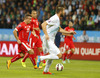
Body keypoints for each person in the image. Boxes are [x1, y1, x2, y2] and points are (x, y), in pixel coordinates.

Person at [37, 6, 76, 74]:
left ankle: (46, 71)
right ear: (60, 11)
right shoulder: (54, 18)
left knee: (52, 55)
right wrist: (46, 34)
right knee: (59, 55)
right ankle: (40, 58)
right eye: (63, 11)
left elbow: (60, 30)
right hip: (48, 39)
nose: (64, 12)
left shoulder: (57, 19)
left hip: (51, 40)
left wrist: (70, 33)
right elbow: (43, 24)